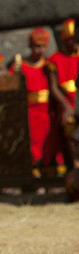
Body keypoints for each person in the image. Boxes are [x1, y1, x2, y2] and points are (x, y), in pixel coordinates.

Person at [11, 28, 55, 178]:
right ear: (31, 47)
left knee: (48, 144)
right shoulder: (22, 66)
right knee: (32, 144)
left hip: (47, 111)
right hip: (29, 111)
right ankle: (33, 176)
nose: (40, 50)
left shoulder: (49, 66)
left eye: (43, 47)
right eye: (37, 47)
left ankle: (50, 175)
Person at [46, 18, 78, 169]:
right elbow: (53, 87)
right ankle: (75, 167)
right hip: (68, 106)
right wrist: (66, 106)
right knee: (70, 127)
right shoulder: (54, 60)